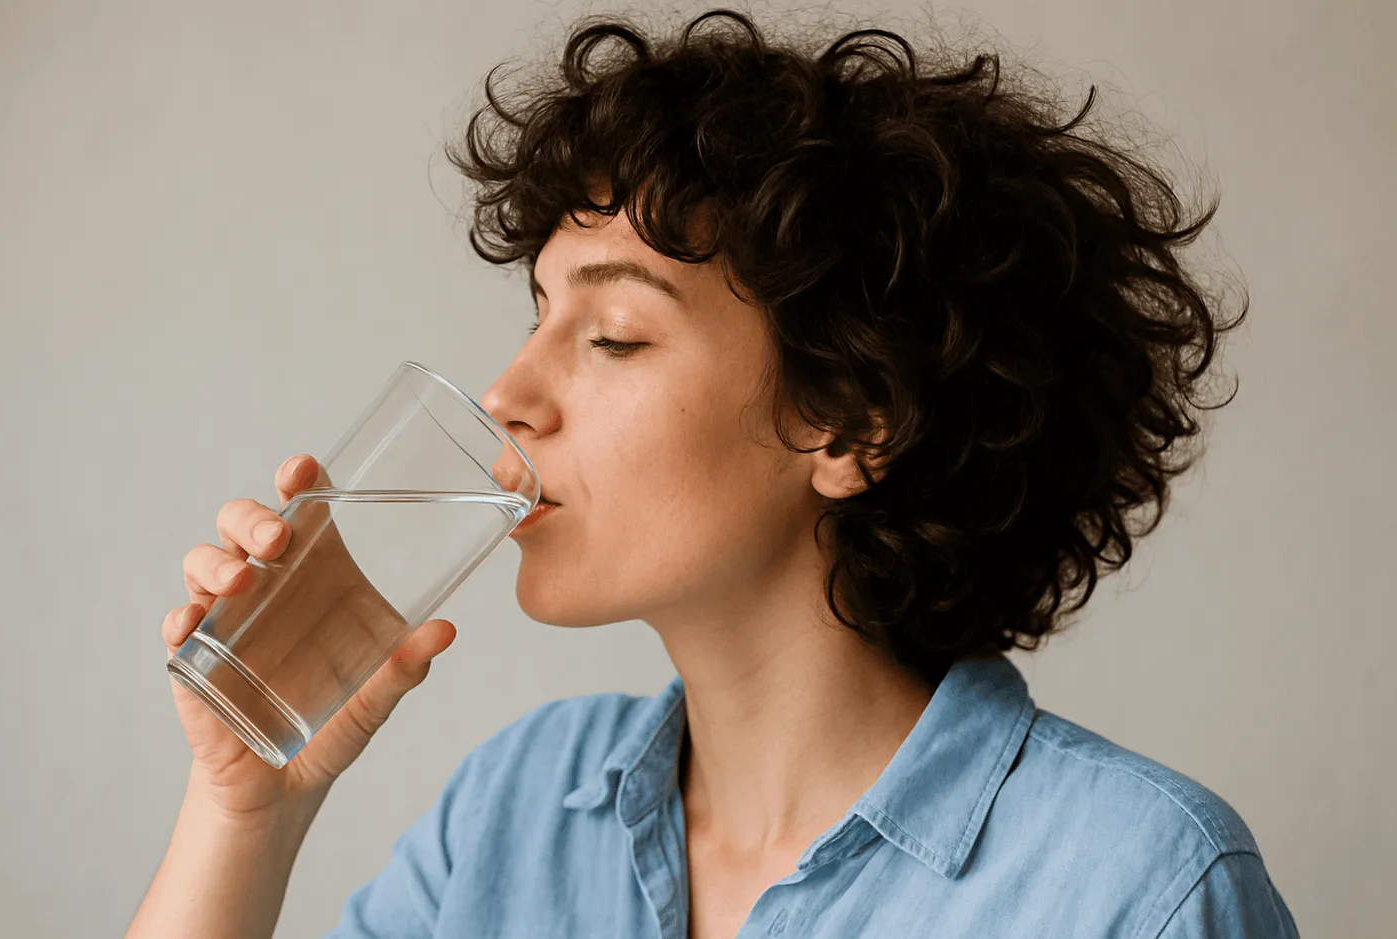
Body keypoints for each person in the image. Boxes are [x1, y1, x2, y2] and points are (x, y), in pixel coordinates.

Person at [127, 9, 1301, 938]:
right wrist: (246, 814)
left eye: (614, 336)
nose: (506, 395)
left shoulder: (1138, 887)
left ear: (848, 424)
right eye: (536, 315)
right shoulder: (520, 806)